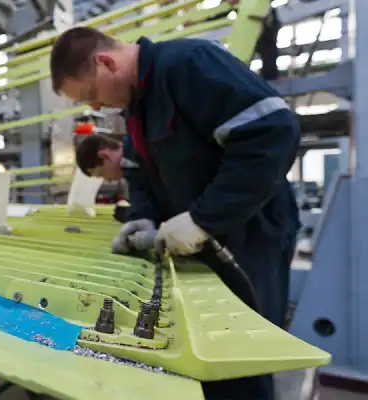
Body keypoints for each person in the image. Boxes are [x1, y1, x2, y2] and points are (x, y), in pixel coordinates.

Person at [50, 27, 300, 400]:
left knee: (243, 357)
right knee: (206, 352)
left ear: (106, 62)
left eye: (91, 94)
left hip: (250, 236)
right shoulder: (138, 103)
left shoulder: (189, 65)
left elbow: (272, 133)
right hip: (202, 241)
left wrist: (204, 219)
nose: (97, 107)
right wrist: (144, 216)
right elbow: (141, 170)